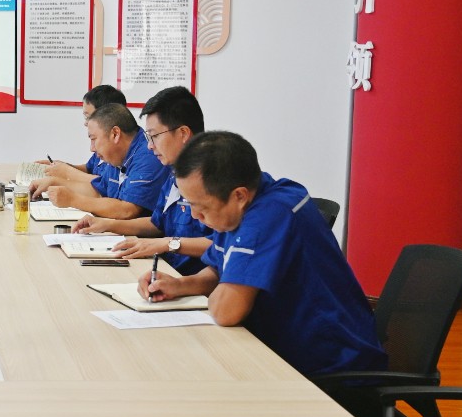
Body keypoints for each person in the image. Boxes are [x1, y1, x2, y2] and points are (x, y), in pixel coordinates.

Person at [138, 130, 387, 377]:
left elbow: (225, 311)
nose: (195, 215)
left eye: (200, 206)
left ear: (239, 196)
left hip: (332, 367)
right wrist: (179, 285)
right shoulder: (250, 196)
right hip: (287, 350)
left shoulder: (269, 214)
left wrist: (219, 294)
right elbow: (219, 269)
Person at [71, 86, 214, 273]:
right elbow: (157, 223)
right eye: (148, 137)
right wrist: (107, 224)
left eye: (154, 136)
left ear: (183, 134)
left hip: (187, 278)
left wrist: (167, 244)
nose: (150, 146)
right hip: (164, 270)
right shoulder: (175, 172)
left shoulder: (214, 177)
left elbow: (221, 245)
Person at [44, 103, 169, 220]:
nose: (92, 148)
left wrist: (73, 200)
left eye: (94, 139)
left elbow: (127, 210)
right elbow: (99, 191)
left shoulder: (148, 155)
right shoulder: (117, 154)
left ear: (115, 134)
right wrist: (55, 183)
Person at [31, 83, 128, 197]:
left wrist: (66, 172)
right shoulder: (100, 141)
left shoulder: (115, 148)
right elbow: (88, 168)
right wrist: (61, 166)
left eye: (89, 117)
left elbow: (104, 185)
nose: (85, 123)